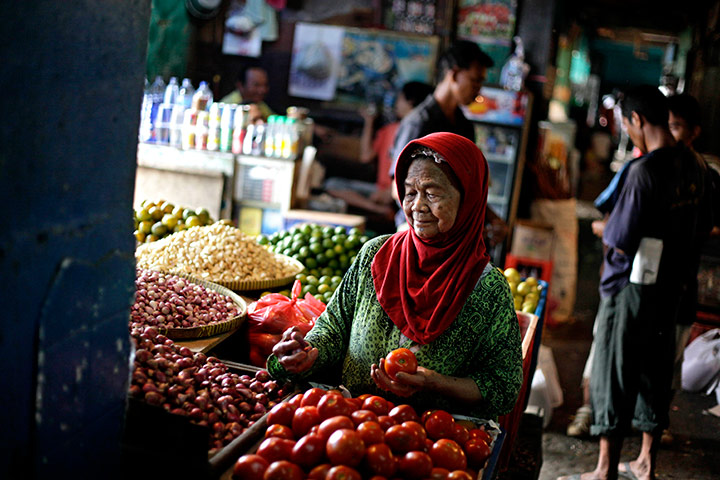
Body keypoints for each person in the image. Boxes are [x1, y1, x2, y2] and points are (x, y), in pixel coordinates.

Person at [269, 132, 524, 419]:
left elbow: (503, 388)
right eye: (410, 192)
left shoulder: (488, 289)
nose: (417, 206)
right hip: (347, 425)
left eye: (433, 193)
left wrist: (436, 384)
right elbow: (333, 330)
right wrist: (305, 353)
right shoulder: (375, 256)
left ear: (469, 198)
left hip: (426, 443)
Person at [558, 86, 715, 480]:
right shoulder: (697, 167)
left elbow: (620, 237)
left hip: (631, 290)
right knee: (657, 372)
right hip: (673, 289)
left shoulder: (644, 171)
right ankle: (647, 463)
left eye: (628, 124)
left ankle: (604, 468)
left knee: (615, 370)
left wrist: (602, 228)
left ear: (638, 121)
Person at [389, 40, 507, 247]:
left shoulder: (463, 125)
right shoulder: (419, 123)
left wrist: (491, 218)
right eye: (475, 81)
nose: (478, 91)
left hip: (453, 234)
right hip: (418, 232)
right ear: (454, 74)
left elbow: (467, 187)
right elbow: (395, 188)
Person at [323, 81, 434, 220]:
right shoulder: (389, 130)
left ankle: (379, 208)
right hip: (384, 192)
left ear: (410, 101)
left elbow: (365, 156)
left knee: (331, 185)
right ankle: (378, 209)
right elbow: (366, 156)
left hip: (400, 195)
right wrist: (369, 121)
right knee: (333, 184)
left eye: (399, 99)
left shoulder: (414, 128)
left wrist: (390, 192)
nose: (396, 104)